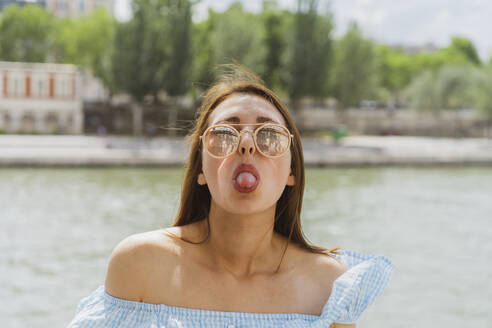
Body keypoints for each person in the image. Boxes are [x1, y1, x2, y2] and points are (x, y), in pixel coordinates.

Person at [67, 67, 394, 328]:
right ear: (200, 169)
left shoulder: (329, 286)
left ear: (292, 172)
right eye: (225, 133)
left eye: (269, 135)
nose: (247, 145)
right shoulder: (140, 264)